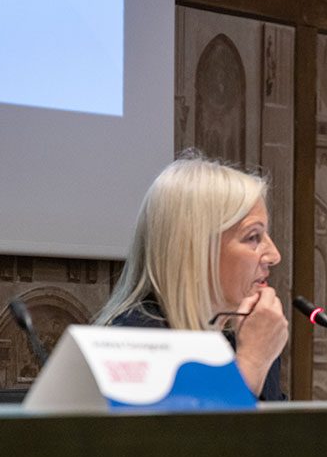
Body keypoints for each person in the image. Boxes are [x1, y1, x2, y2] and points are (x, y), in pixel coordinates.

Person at [92, 152, 288, 401]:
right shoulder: (133, 345)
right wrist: (252, 363)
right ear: (196, 250)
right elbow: (195, 427)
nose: (274, 255)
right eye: (253, 237)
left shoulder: (244, 336)